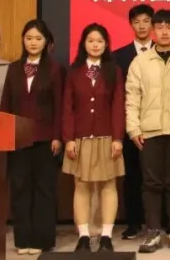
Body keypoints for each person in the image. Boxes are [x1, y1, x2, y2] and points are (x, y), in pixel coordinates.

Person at [125, 9, 170, 254]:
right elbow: (132, 97)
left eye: (169, 27)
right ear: (154, 30)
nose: (164, 32)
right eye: (160, 27)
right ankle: (153, 231)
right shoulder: (140, 62)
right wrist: (133, 129)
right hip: (149, 132)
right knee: (151, 184)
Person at [0, 19, 64, 255]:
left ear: (46, 42)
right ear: (23, 41)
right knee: (20, 188)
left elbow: (60, 107)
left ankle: (42, 240)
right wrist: (4, 133)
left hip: (46, 139)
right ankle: (23, 239)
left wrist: (58, 136)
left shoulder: (55, 69)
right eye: (28, 38)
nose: (33, 43)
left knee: (44, 189)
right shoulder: (13, 68)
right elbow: (5, 104)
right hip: (18, 139)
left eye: (38, 38)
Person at [63, 24, 125, 253]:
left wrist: (117, 138)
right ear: (83, 44)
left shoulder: (113, 71)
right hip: (80, 138)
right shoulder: (74, 71)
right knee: (81, 186)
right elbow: (67, 107)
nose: (95, 45)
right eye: (91, 41)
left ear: (106, 44)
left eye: (99, 41)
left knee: (109, 185)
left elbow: (118, 106)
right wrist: (69, 138)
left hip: (107, 137)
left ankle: (106, 236)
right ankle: (84, 236)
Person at [112, 3, 155, 240]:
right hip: (131, 123)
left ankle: (157, 223)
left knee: (156, 177)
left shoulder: (163, 52)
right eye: (137, 22)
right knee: (132, 176)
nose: (142, 26)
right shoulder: (119, 56)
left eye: (146, 21)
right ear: (131, 25)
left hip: (157, 124)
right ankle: (133, 222)